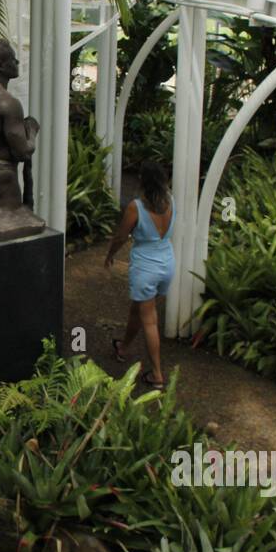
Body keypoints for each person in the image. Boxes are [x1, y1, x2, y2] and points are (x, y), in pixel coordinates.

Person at [105, 163, 175, 389]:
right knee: (139, 308)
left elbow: (121, 236)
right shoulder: (170, 201)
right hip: (167, 264)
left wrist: (110, 255)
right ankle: (123, 347)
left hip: (146, 268)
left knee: (150, 320)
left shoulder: (137, 207)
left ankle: (156, 375)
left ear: (143, 181)